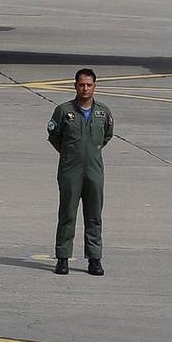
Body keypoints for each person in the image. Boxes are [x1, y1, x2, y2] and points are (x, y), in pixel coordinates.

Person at [46, 68, 112, 276]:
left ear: (95, 86)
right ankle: (63, 257)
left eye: (89, 85)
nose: (85, 88)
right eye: (81, 84)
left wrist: (89, 152)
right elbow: (54, 136)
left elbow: (107, 136)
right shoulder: (64, 111)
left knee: (94, 215)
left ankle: (94, 258)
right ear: (75, 86)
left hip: (94, 169)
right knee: (67, 214)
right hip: (70, 170)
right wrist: (69, 154)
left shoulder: (103, 112)